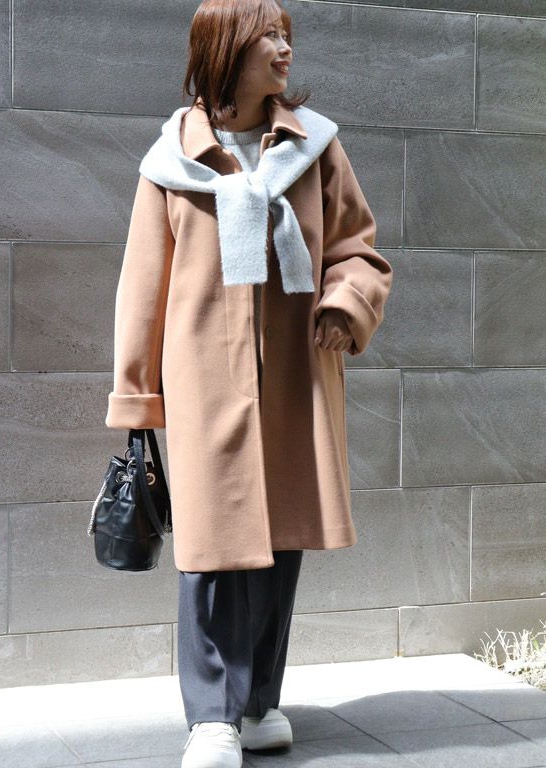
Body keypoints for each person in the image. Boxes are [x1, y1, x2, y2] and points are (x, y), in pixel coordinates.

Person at [104, 1, 393, 766]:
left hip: (295, 378)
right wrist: (136, 394)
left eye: (286, 35)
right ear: (226, 49)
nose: (283, 49)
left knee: (280, 543)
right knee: (211, 551)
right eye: (268, 36)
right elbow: (144, 287)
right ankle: (212, 717)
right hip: (204, 383)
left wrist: (346, 304)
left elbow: (358, 249)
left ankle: (258, 701)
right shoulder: (171, 161)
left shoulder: (315, 148)